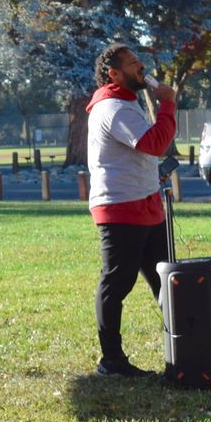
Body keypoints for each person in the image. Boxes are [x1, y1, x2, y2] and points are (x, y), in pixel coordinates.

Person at [84, 43, 176, 378]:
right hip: (120, 207)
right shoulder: (112, 108)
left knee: (165, 280)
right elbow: (155, 142)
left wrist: (154, 172)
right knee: (117, 282)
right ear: (114, 74)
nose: (142, 67)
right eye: (133, 63)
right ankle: (111, 361)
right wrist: (167, 104)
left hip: (146, 202)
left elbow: (143, 151)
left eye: (140, 62)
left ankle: (184, 348)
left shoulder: (128, 103)